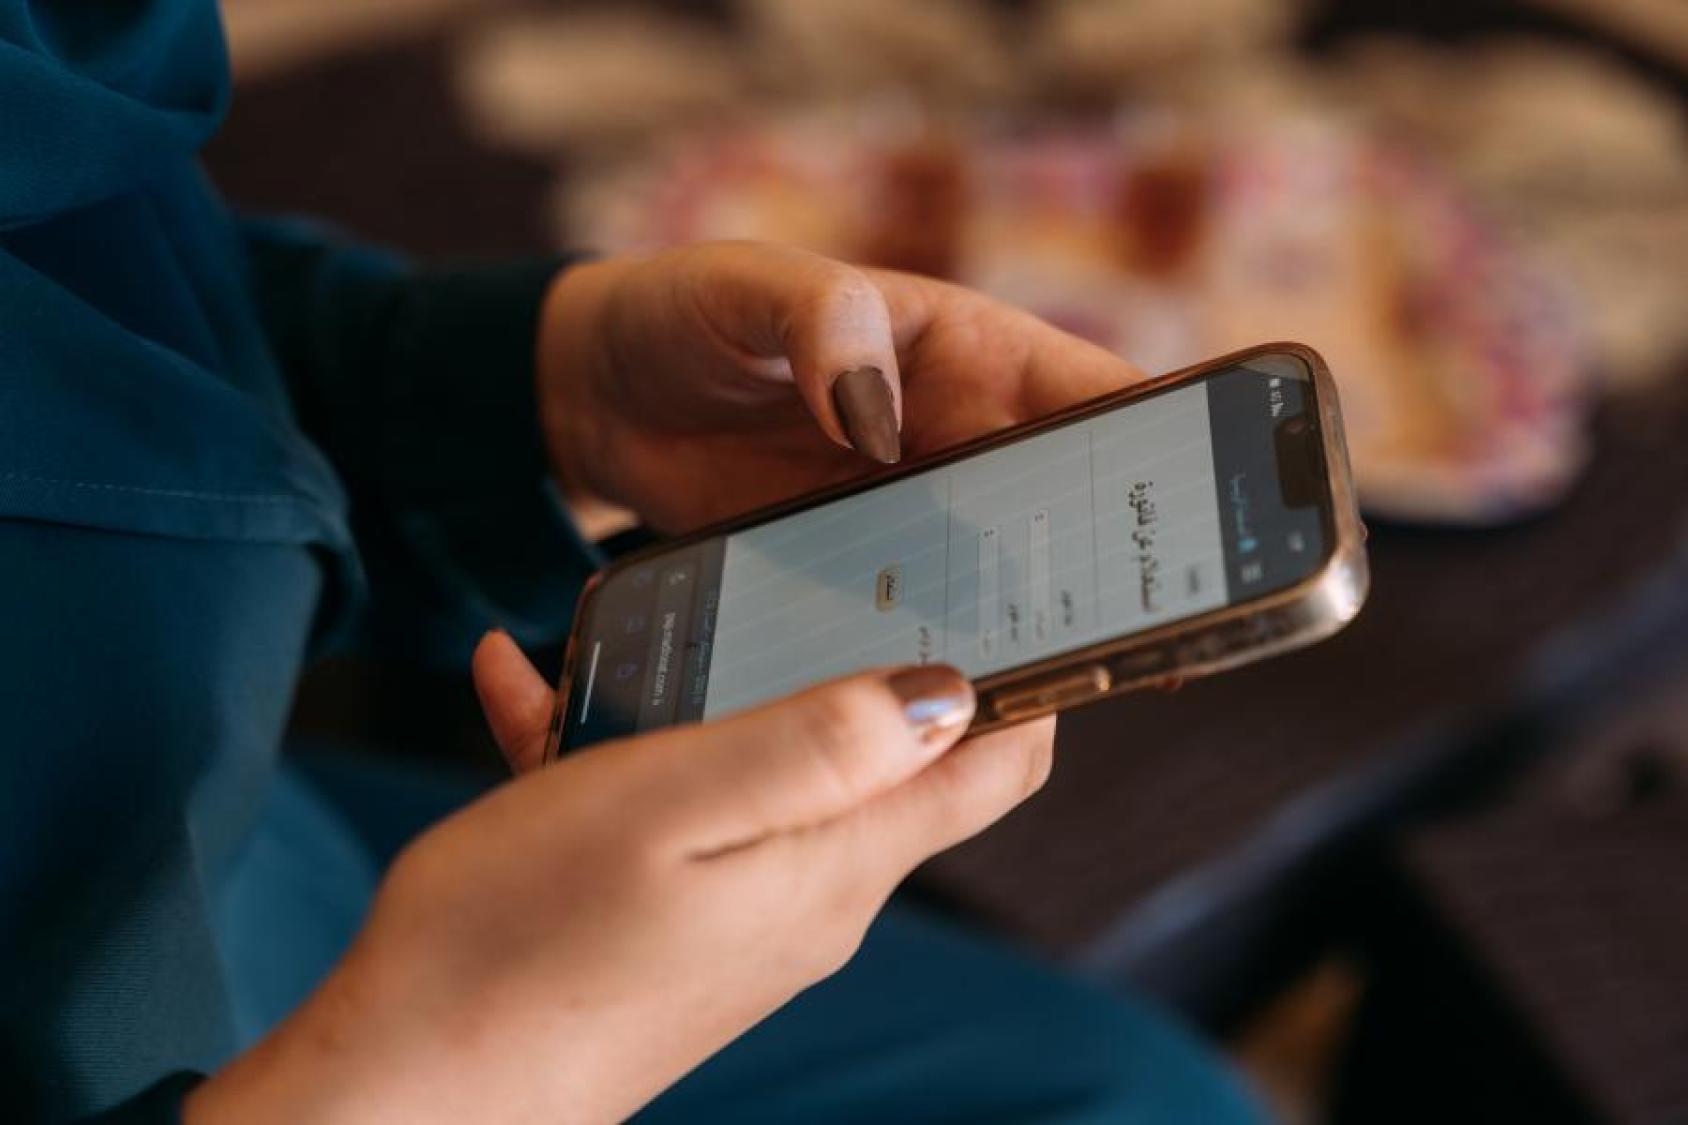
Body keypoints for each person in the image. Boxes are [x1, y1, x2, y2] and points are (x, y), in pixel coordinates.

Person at [0, 3, 1265, 1121]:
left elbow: (85, 313)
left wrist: (532, 391)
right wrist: (470, 1082)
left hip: (247, 859)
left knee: (1142, 1099)